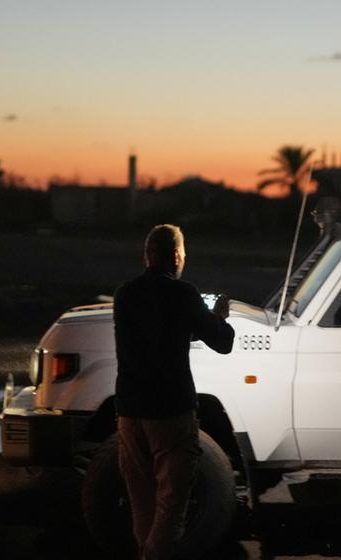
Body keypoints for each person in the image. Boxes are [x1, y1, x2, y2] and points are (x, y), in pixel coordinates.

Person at [112, 224, 234, 560]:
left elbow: (159, 333)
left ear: (146, 256)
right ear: (178, 257)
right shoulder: (183, 295)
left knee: (142, 503)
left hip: (129, 412)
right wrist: (219, 317)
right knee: (170, 505)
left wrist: (192, 324)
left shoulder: (125, 294)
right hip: (170, 413)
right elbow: (222, 343)